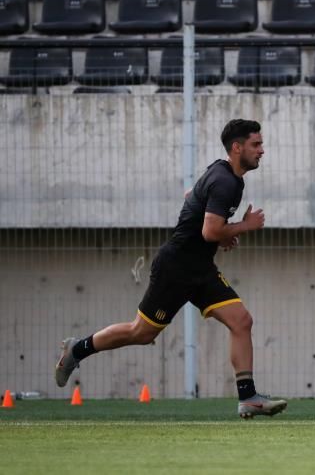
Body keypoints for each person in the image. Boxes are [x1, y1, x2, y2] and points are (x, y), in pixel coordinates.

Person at [54, 119, 287, 419]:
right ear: (237, 147)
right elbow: (209, 231)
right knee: (141, 333)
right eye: (256, 144)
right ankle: (77, 349)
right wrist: (243, 226)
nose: (262, 150)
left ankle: (248, 398)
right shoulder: (226, 181)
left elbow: (192, 196)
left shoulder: (224, 174)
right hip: (176, 268)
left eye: (261, 144)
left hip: (201, 269)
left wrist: (223, 231)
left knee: (241, 321)